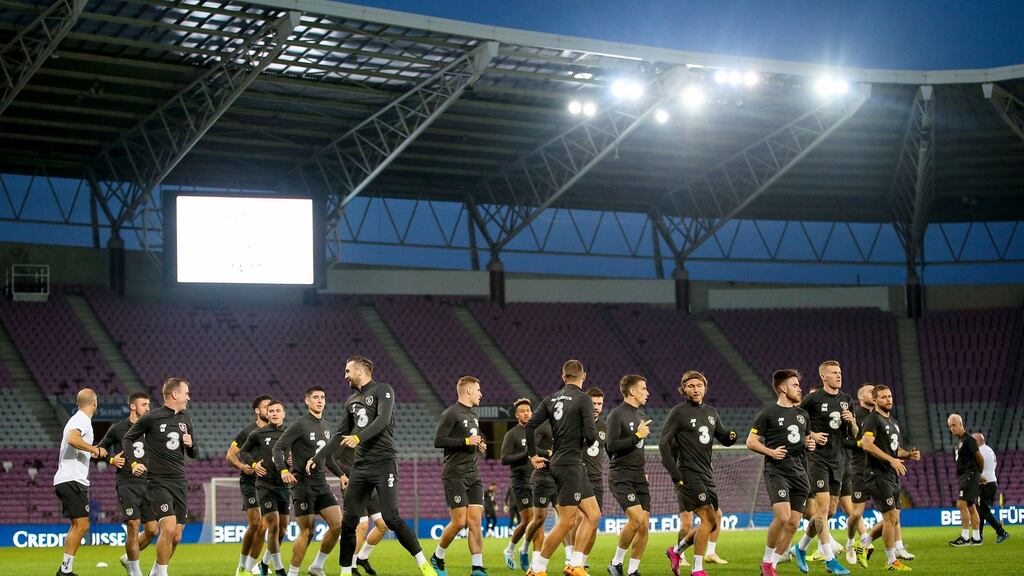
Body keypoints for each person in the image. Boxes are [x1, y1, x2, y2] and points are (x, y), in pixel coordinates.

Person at [314, 355, 437, 576]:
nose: (345, 375)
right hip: (360, 468)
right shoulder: (351, 401)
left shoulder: (383, 390)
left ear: (360, 371)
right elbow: (340, 434)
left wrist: (358, 438)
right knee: (349, 522)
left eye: (347, 370)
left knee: (390, 518)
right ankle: (345, 572)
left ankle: (423, 564)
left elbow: (383, 420)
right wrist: (317, 458)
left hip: (383, 464)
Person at [746, 369, 826, 576]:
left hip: (800, 474)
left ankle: (771, 565)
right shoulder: (768, 414)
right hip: (777, 472)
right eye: (795, 385)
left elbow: (807, 441)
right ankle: (766, 561)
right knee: (782, 517)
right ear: (783, 388)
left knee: (793, 524)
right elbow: (751, 442)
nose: (799, 389)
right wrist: (770, 452)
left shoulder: (803, 415)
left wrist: (810, 445)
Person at [525, 359, 600, 576]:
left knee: (593, 514)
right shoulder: (584, 399)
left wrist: (532, 455)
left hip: (566, 462)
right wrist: (589, 436)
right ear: (583, 376)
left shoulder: (551, 398)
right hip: (569, 464)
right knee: (567, 521)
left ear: (563, 376)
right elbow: (591, 436)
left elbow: (530, 426)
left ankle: (575, 565)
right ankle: (537, 568)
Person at [660, 371, 738, 576]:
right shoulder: (678, 412)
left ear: (705, 388)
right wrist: (676, 475)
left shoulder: (711, 412)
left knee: (711, 523)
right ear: (683, 389)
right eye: (691, 386)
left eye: (699, 385)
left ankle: (676, 551)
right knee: (706, 519)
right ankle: (697, 569)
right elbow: (664, 444)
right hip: (688, 473)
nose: (695, 389)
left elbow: (723, 437)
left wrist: (731, 436)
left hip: (707, 474)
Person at [122, 378, 196, 576]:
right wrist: (135, 463)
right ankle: (163, 573)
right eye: (186, 393)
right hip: (158, 482)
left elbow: (193, 454)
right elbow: (127, 438)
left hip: (179, 481)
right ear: (174, 394)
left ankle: (155, 571)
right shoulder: (152, 418)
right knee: (169, 527)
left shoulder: (185, 418)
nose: (188, 397)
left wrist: (190, 444)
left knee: (177, 536)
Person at [273, 386, 344, 576]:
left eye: (322, 397)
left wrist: (342, 475)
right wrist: (282, 470)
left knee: (338, 524)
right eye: (315, 397)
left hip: (321, 485)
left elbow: (327, 457)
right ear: (307, 401)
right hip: (302, 485)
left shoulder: (327, 427)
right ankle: (293, 573)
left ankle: (317, 566)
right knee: (308, 531)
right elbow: (279, 448)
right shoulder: (299, 425)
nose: (320, 400)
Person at [791, 361, 853, 575]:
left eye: (840, 372)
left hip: (838, 460)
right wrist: (810, 436)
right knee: (822, 509)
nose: (839, 375)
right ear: (824, 377)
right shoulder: (813, 399)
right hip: (817, 460)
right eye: (834, 373)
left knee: (829, 512)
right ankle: (829, 560)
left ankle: (800, 548)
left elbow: (853, 436)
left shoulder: (846, 401)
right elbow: (794, 421)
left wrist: (852, 421)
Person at [431, 376, 487, 576]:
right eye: (478, 390)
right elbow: (438, 441)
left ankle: (478, 567)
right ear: (469, 391)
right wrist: (466, 441)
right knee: (459, 522)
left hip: (473, 474)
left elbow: (472, 440)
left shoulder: (473, 415)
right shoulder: (451, 413)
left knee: (475, 520)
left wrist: (479, 445)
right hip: (455, 474)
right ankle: (437, 557)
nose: (481, 394)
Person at [97, 393, 158, 576]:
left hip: (148, 483)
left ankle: (127, 558)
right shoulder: (118, 429)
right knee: (133, 523)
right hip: (127, 482)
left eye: (148, 404)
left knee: (152, 530)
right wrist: (111, 459)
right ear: (133, 406)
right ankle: (135, 571)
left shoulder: (151, 429)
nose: (148, 408)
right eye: (144, 404)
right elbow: (99, 449)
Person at [860, 385, 919, 571]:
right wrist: (891, 459)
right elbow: (867, 445)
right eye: (884, 397)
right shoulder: (872, 420)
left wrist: (907, 455)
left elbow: (894, 450)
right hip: (876, 474)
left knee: (894, 518)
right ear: (875, 401)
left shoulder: (893, 422)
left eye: (890, 396)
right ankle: (891, 560)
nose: (888, 400)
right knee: (890, 516)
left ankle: (864, 542)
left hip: (891, 475)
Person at [54, 388, 105, 576]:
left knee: (77, 525)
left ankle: (65, 569)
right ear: (95, 403)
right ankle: (65, 571)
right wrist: (94, 449)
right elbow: (73, 439)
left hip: (66, 478)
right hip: (72, 478)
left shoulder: (75, 419)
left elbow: (75, 441)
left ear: (77, 403)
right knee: (82, 525)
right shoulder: (82, 419)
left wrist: (96, 451)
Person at [605, 375, 652, 576]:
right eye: (643, 388)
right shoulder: (616, 415)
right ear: (632, 391)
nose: (647, 392)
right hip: (621, 476)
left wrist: (642, 470)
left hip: (639, 476)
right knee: (636, 519)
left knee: (644, 526)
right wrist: (637, 436)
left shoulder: (640, 415)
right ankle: (615, 563)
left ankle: (633, 570)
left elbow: (637, 449)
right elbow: (611, 446)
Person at [239, 400, 291, 576]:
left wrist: (293, 461)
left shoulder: (290, 433)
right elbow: (243, 452)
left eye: (278, 410)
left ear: (284, 413)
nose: (275, 413)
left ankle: (264, 563)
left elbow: (296, 454)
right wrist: (254, 464)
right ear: (267, 414)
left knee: (283, 529)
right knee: (274, 525)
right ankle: (279, 568)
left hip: (283, 486)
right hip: (265, 486)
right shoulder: (258, 434)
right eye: (271, 411)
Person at [227, 395, 272, 576]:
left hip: (269, 484)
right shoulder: (247, 432)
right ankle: (241, 566)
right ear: (257, 410)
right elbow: (230, 454)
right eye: (266, 407)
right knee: (255, 524)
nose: (269, 410)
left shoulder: (276, 431)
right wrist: (241, 466)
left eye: (271, 407)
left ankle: (253, 565)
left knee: (264, 527)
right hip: (250, 482)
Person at [568, 386, 606, 570]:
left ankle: (581, 563)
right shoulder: (576, 424)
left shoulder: (604, 426)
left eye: (600, 403)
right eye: (594, 403)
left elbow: (610, 451)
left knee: (594, 522)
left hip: (597, 478)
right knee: (580, 518)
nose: (597, 407)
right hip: (578, 477)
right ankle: (573, 559)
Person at [500, 398, 538, 570]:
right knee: (528, 520)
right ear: (517, 415)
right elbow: (504, 459)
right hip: (520, 481)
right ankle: (511, 550)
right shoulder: (512, 434)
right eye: (522, 411)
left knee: (538, 521)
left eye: (528, 410)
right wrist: (525, 454)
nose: (526, 413)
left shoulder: (536, 432)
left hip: (537, 481)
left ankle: (531, 558)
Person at [947, 414, 984, 546]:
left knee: (961, 504)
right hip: (967, 476)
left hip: (969, 475)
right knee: (971, 506)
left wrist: (978, 474)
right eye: (950, 426)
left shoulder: (968, 440)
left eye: (954, 425)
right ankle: (976, 538)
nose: (952, 428)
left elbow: (979, 458)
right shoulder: (961, 441)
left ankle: (965, 537)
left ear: (961, 424)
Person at [972, 432, 1010, 543]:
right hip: (991, 482)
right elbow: (994, 465)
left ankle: (1001, 532)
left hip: (985, 484)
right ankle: (978, 536)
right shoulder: (989, 450)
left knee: (983, 510)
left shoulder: (980, 451)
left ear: (978, 441)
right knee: (980, 510)